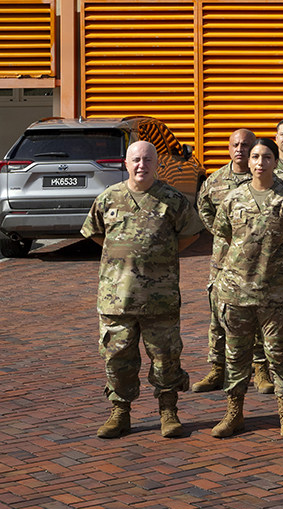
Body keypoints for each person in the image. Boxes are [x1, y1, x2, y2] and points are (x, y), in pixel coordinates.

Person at [83, 141, 204, 439]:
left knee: (166, 356)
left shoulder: (172, 200)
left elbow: (190, 234)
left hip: (159, 298)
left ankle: (168, 411)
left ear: (157, 164)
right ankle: (120, 412)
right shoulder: (108, 198)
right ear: (126, 163)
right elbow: (96, 234)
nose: (141, 165)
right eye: (136, 160)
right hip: (117, 298)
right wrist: (124, 254)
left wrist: (159, 254)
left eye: (147, 160)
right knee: (117, 358)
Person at [209, 138, 283, 439]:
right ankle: (234, 412)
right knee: (236, 354)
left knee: (279, 352)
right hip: (237, 290)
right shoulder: (233, 198)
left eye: (266, 157)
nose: (259, 162)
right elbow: (226, 236)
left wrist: (275, 262)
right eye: (255, 156)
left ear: (274, 161)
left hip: (277, 293)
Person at [193, 128, 256, 393]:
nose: (240, 149)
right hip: (224, 260)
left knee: (259, 314)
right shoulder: (215, 179)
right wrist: (223, 233)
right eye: (235, 144)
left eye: (245, 145)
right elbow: (203, 207)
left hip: (257, 262)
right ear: (229, 148)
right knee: (218, 315)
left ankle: (260, 369)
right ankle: (218, 368)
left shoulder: (263, 177)